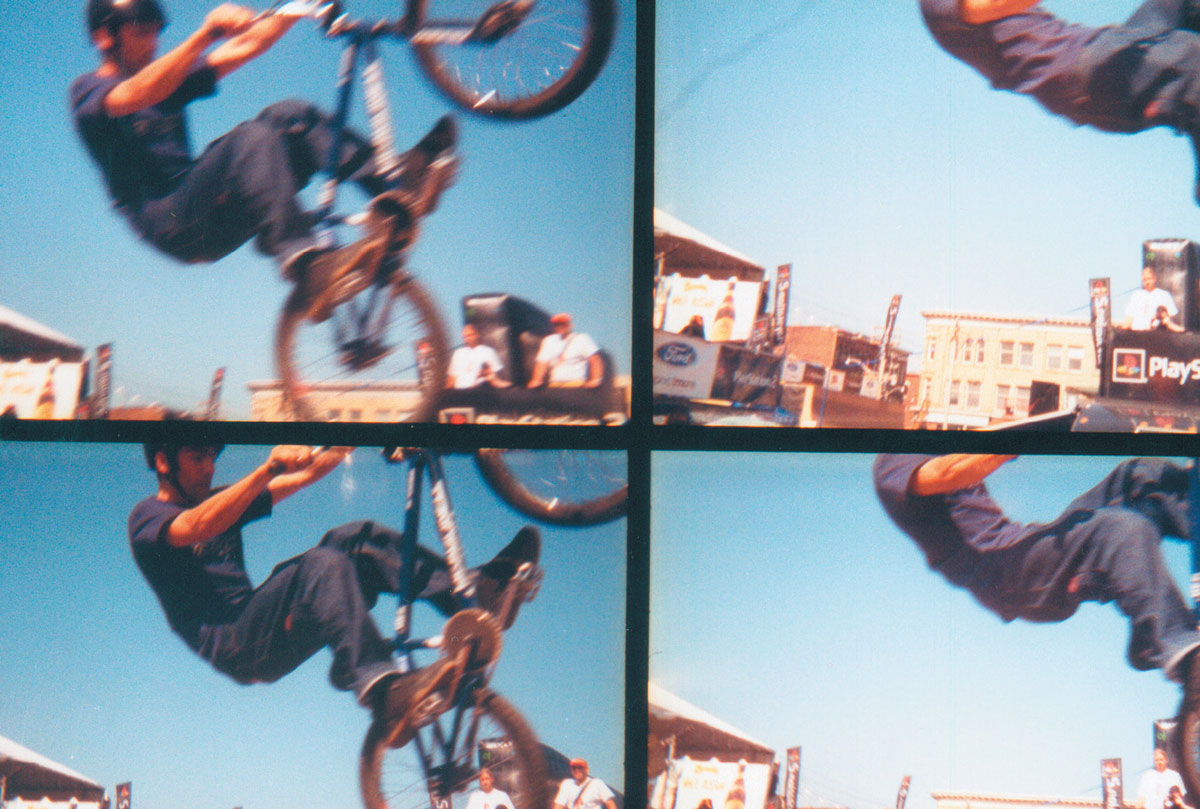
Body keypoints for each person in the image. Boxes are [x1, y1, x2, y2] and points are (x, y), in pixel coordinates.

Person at [70, 0, 456, 320]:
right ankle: (308, 266)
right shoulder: (89, 92)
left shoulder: (166, 81)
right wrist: (204, 34)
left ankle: (397, 182)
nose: (153, 41)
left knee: (290, 115)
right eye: (142, 30)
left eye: (157, 30)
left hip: (212, 204)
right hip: (174, 224)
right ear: (105, 35)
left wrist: (299, 7)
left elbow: (246, 46)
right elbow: (136, 93)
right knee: (250, 139)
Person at [128, 442, 540, 739]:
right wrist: (266, 468)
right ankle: (384, 692)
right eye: (196, 458)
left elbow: (306, 475)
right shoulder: (148, 517)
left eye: (212, 458)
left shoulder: (223, 500)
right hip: (239, 645)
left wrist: (353, 434)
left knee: (354, 539)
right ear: (164, 461)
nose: (209, 468)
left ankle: (473, 592)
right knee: (321, 566)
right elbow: (197, 526)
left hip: (269, 623)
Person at [873, 454, 1200, 701]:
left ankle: (1148, 631)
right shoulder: (892, 461)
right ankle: (1182, 652)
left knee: (1140, 475)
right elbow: (944, 474)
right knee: (1122, 529)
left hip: (1025, 545)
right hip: (1005, 574)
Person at [919, 0, 1200, 206]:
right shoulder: (939, 6)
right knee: (1193, 59)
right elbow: (988, 5)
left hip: (1107, 43)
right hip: (1084, 75)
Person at [527, 313, 603, 389]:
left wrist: (595, 380)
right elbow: (542, 362)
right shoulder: (549, 340)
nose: (560, 327)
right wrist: (536, 380)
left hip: (574, 385)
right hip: (555, 385)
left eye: (563, 324)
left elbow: (595, 360)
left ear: (570, 325)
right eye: (556, 325)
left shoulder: (582, 339)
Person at [447, 324, 511, 390]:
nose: (467, 338)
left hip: (478, 391)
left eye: (470, 335)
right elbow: (452, 378)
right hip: (459, 392)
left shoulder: (488, 351)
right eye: (465, 336)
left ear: (477, 334)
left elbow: (495, 378)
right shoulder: (458, 353)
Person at [1125, 267, 1184, 332]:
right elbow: (1129, 320)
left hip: (1156, 334)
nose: (1147, 282)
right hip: (1136, 334)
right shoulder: (1136, 295)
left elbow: (1170, 318)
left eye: (1149, 279)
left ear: (1154, 279)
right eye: (1144, 280)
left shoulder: (1164, 295)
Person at [552, 758, 617, 809]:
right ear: (571, 770)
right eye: (574, 768)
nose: (577, 770)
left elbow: (611, 805)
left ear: (587, 770)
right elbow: (558, 805)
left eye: (580, 768)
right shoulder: (567, 784)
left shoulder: (597, 783)